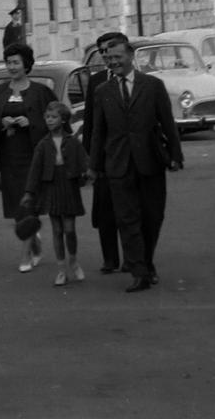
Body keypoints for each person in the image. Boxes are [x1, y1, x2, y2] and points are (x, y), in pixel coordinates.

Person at [87, 32, 183, 293]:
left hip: (150, 161)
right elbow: (98, 131)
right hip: (117, 165)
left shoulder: (152, 86)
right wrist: (94, 166)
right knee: (127, 219)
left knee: (152, 217)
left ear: (131, 56)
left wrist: (175, 155)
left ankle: (147, 262)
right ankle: (139, 272)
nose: (114, 62)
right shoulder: (102, 91)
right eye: (110, 58)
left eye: (118, 57)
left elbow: (167, 122)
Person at [0, 41, 55, 271]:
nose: (12, 67)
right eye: (8, 62)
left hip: (33, 156)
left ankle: (25, 256)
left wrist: (31, 122)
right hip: (10, 157)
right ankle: (35, 245)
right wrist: (1, 123)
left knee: (28, 204)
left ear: (26, 64)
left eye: (16, 62)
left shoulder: (41, 92)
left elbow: (56, 121)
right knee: (16, 207)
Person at [22, 99, 90, 285]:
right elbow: (35, 170)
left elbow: (84, 162)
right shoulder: (43, 145)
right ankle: (61, 269)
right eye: (47, 117)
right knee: (57, 229)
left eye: (53, 117)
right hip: (51, 187)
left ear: (63, 119)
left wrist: (87, 173)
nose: (49, 120)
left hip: (68, 185)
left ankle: (74, 261)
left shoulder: (73, 141)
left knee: (69, 229)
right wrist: (29, 192)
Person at [81, 31, 124, 274]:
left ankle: (131, 257)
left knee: (129, 211)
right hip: (104, 159)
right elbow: (90, 123)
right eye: (103, 51)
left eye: (111, 49)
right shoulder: (96, 81)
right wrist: (90, 159)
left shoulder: (138, 79)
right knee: (105, 211)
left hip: (127, 157)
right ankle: (110, 258)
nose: (107, 55)